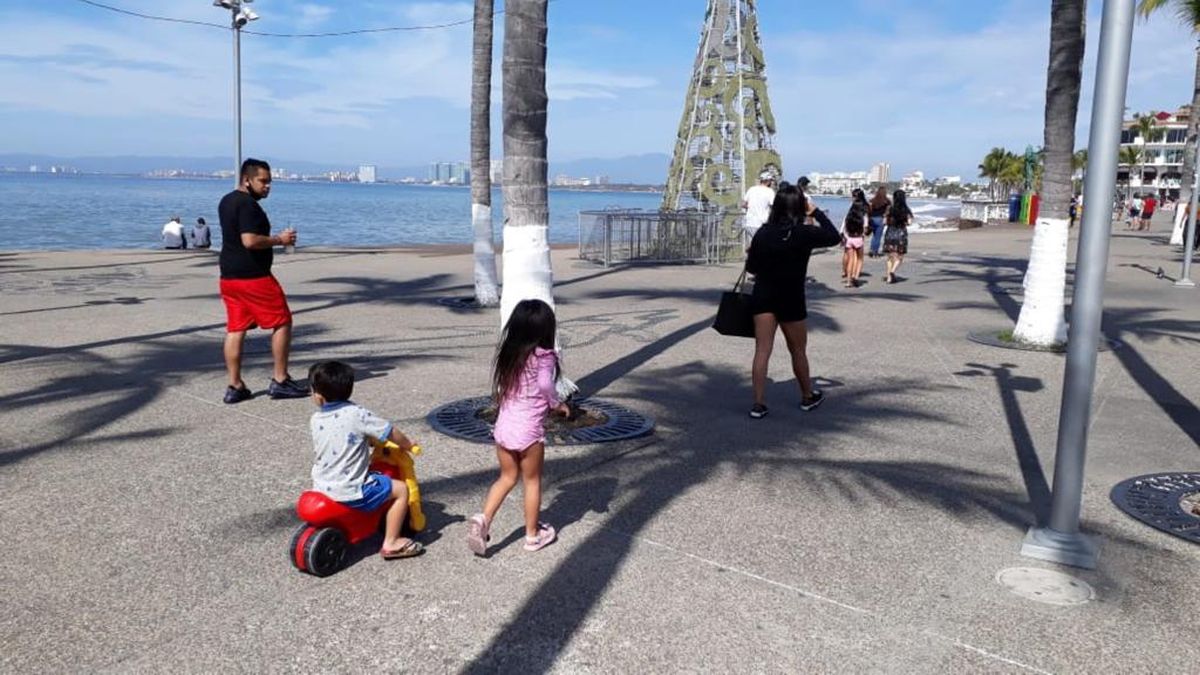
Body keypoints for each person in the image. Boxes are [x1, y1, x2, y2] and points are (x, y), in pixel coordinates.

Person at [466, 299, 569, 556]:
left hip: (504, 429)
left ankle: (483, 519)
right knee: (531, 482)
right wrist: (556, 403)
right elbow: (544, 384)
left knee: (506, 478)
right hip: (528, 433)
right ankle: (533, 536)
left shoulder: (510, 354)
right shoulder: (544, 357)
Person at [307, 361, 424, 560]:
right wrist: (406, 444)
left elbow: (341, 438)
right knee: (401, 490)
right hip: (351, 488)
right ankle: (392, 542)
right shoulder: (357, 414)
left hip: (322, 486)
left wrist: (366, 440)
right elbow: (390, 432)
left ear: (318, 396)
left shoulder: (316, 419)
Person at [744, 184, 841, 418]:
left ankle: (758, 404)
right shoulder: (804, 233)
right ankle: (807, 396)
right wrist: (816, 212)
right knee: (797, 350)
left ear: (776, 206)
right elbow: (834, 237)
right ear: (800, 206)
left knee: (762, 350)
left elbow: (752, 268)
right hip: (791, 297)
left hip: (763, 295)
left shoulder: (763, 233)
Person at [217, 158, 305, 404]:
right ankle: (280, 380)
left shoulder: (227, 201)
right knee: (283, 321)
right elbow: (250, 240)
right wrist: (280, 240)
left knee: (236, 329)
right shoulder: (247, 205)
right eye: (263, 181)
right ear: (247, 180)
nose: (267, 186)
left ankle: (235, 385)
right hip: (253, 277)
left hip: (229, 277)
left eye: (270, 182)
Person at [883, 189, 913, 284]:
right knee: (899, 256)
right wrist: (904, 223)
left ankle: (889, 278)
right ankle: (892, 272)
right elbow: (909, 222)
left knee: (890, 257)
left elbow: (884, 222)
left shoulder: (889, 208)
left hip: (890, 233)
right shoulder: (906, 210)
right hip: (901, 234)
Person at [740, 172, 776, 246]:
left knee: (752, 246)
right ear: (768, 181)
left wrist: (750, 207)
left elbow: (743, 204)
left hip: (749, 223)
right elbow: (774, 206)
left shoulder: (751, 189)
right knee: (763, 246)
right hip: (762, 224)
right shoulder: (770, 192)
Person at [842, 197, 868, 288]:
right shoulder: (862, 217)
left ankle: (848, 281)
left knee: (850, 260)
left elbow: (845, 229)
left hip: (850, 239)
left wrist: (846, 238)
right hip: (858, 238)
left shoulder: (848, 217)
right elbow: (865, 230)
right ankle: (856, 276)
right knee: (860, 259)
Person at [867, 187, 890, 257]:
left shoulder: (872, 200)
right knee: (878, 236)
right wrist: (885, 217)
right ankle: (875, 251)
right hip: (880, 219)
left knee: (874, 235)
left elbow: (869, 210)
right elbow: (888, 211)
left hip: (872, 219)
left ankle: (871, 250)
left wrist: (869, 217)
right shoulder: (887, 201)